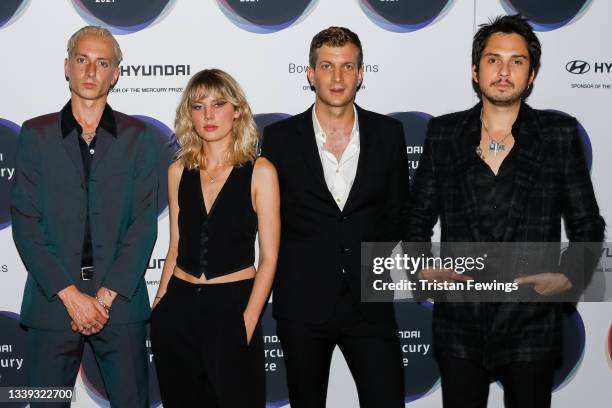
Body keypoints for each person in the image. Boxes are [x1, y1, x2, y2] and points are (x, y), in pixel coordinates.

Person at [407, 15, 605, 408]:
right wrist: (422, 269)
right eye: (494, 60)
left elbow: (587, 224)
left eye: (516, 62)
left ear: (531, 76)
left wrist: (567, 278)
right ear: (475, 71)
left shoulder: (558, 134)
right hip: (460, 321)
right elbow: (416, 219)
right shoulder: (444, 134)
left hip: (531, 321)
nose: (503, 71)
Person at [260, 26, 409, 408]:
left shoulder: (389, 133)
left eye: (347, 66)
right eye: (327, 66)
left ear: (361, 74)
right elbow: (272, 221)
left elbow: (397, 215)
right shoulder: (279, 138)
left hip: (369, 306)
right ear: (310, 73)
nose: (337, 77)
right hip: (302, 306)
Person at [11, 26, 157, 407]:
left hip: (120, 305)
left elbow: (143, 226)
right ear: (67, 67)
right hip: (52, 304)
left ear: (116, 74)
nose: (91, 71)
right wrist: (72, 296)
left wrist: (103, 300)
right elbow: (26, 223)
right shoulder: (35, 134)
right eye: (82, 60)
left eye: (102, 62)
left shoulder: (138, 136)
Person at [151, 68, 280, 408]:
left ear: (236, 110)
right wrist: (160, 307)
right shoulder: (177, 171)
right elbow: (176, 246)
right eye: (198, 106)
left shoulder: (260, 171)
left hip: (233, 308)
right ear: (188, 114)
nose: (208, 115)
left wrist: (248, 321)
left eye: (218, 104)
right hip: (177, 310)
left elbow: (268, 258)